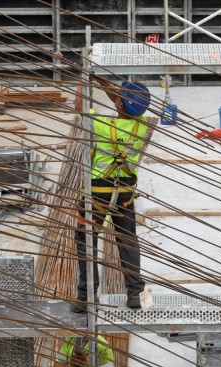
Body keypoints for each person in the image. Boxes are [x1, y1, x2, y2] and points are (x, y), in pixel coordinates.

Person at [72, 76, 151, 312]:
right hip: (125, 192)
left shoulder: (104, 125)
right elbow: (121, 101)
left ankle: (86, 297)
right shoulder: (142, 124)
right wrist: (101, 82)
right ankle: (134, 294)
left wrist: (83, 79)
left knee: (85, 239)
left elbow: (79, 106)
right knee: (127, 241)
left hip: (99, 192)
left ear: (119, 105)